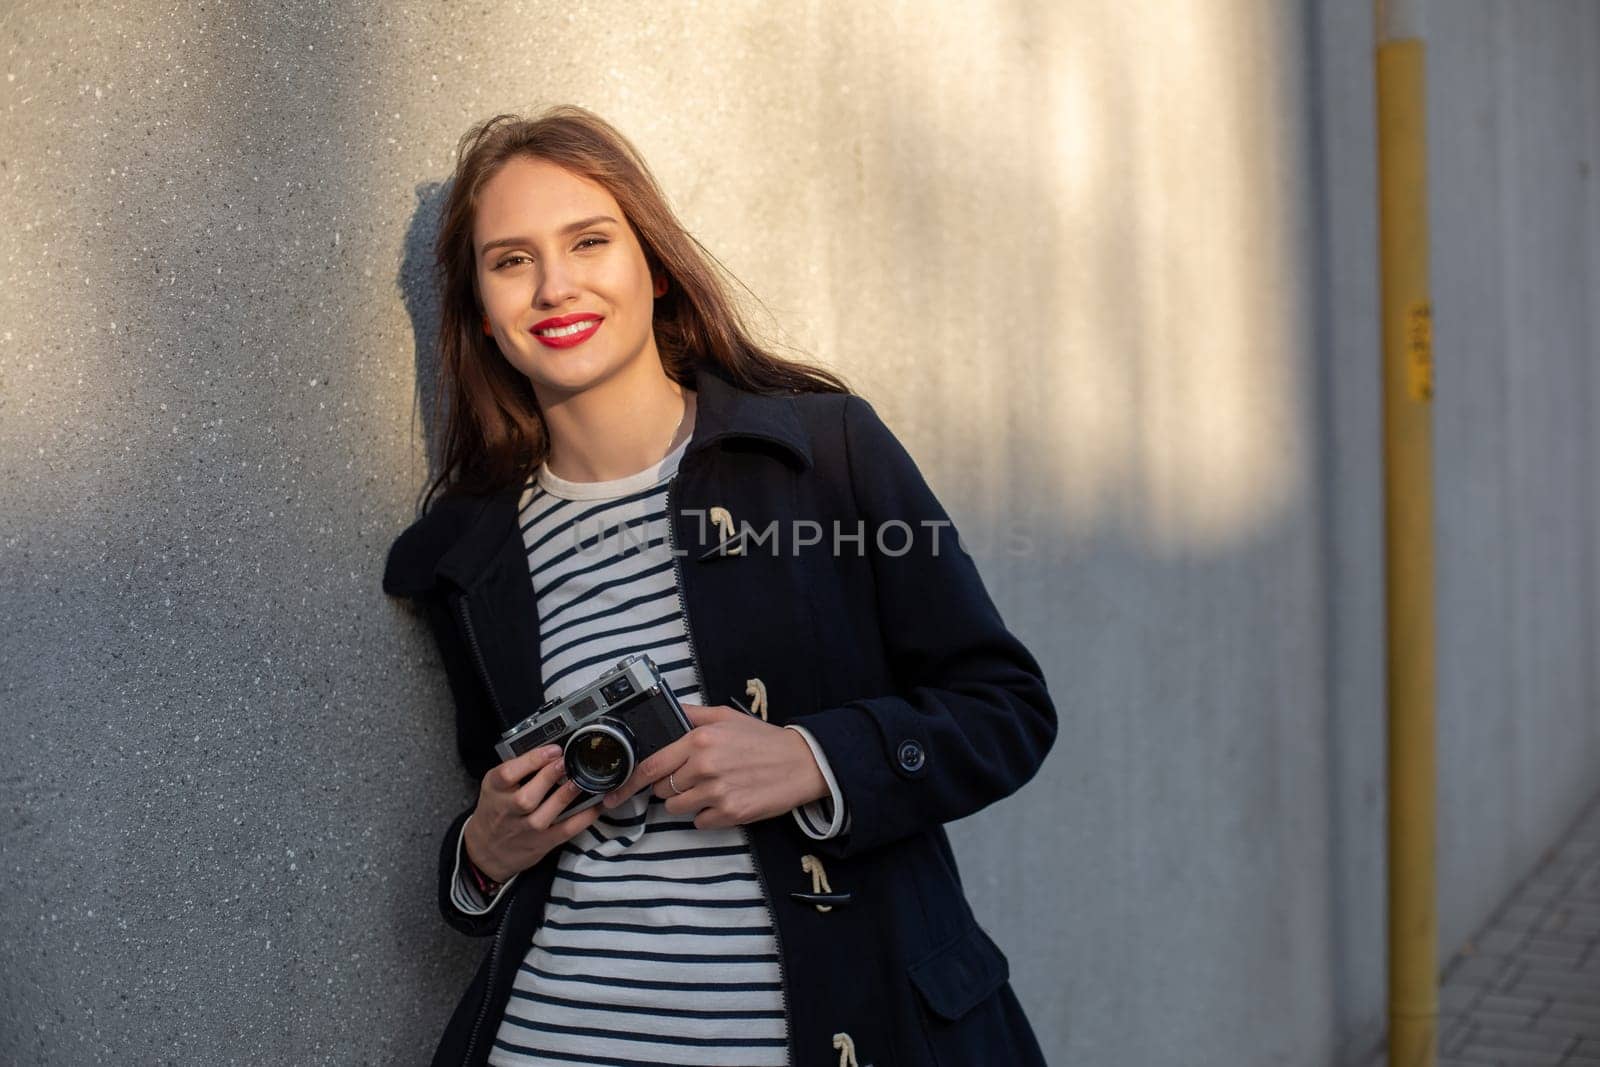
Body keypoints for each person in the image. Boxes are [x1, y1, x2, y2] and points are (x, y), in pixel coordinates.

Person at [382, 104, 1058, 1067]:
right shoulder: (470, 555)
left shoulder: (825, 453)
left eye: (588, 241)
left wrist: (813, 758)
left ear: (652, 268)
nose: (555, 284)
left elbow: (1007, 710)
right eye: (511, 260)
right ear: (481, 315)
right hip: (554, 1038)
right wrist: (483, 853)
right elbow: (507, 811)